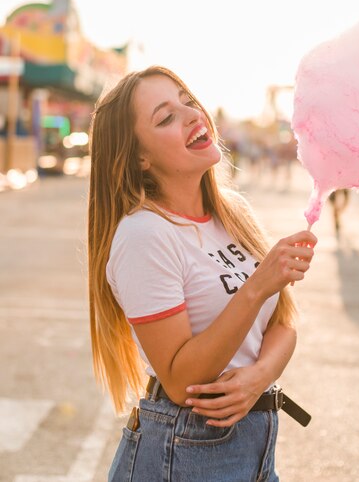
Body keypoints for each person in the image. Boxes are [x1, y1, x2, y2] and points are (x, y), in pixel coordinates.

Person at [88, 66, 317, 482]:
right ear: (140, 157)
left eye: (187, 101)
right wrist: (259, 284)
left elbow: (283, 323)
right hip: (185, 452)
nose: (192, 114)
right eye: (166, 117)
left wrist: (259, 377)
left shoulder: (232, 214)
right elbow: (180, 380)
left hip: (257, 446)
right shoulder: (144, 234)